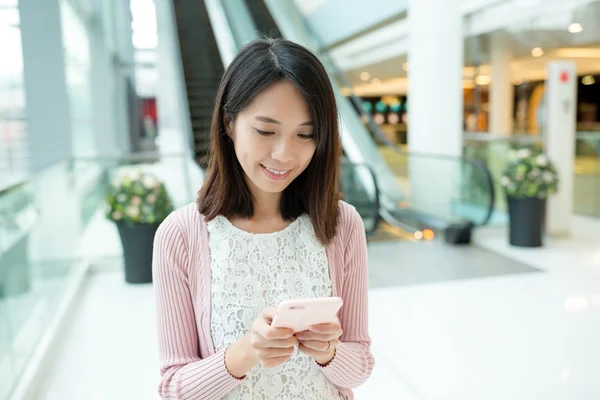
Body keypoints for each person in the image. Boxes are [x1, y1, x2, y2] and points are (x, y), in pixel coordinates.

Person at [152, 38, 374, 400]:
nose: (284, 154)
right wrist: (245, 353)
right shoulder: (180, 235)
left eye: (306, 134)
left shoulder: (341, 224)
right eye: (265, 131)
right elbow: (174, 388)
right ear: (229, 122)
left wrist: (328, 353)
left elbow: (361, 365)